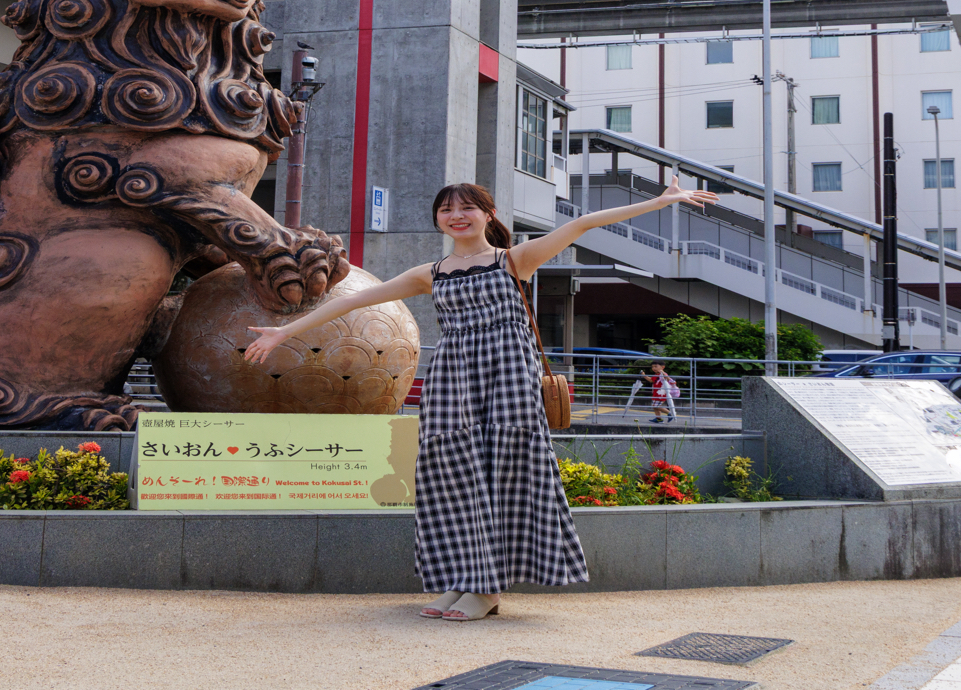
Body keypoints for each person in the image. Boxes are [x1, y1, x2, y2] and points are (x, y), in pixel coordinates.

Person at [246, 177, 717, 622]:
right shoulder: (430, 273)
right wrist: (286, 330)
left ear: (488, 215)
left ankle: (488, 588)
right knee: (450, 471)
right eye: (447, 209)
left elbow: (581, 224)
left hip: (509, 375)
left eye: (467, 207)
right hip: (453, 377)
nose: (457, 215)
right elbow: (352, 301)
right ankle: (464, 577)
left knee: (505, 467)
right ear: (437, 219)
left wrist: (661, 202)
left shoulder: (516, 259)